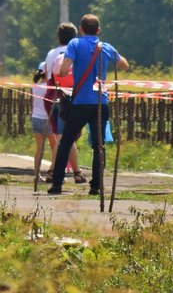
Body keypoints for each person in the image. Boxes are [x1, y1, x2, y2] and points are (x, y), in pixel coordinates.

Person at [47, 13, 129, 196]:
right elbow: (124, 65)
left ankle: (57, 184)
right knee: (99, 145)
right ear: (98, 30)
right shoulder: (105, 47)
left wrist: (62, 73)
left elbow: (63, 69)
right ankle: (96, 185)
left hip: (80, 103)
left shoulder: (75, 44)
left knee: (66, 142)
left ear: (81, 29)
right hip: (101, 102)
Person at [42, 22, 85, 183]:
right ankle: (76, 172)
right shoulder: (79, 52)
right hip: (77, 97)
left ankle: (54, 171)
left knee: (62, 136)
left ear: (58, 37)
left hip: (57, 97)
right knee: (69, 136)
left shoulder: (52, 54)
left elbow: (48, 78)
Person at [30, 67, 51, 182]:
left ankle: (37, 175)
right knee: (55, 147)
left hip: (36, 117)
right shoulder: (48, 88)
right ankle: (53, 173)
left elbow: (33, 104)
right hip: (47, 118)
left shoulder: (36, 87)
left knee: (39, 148)